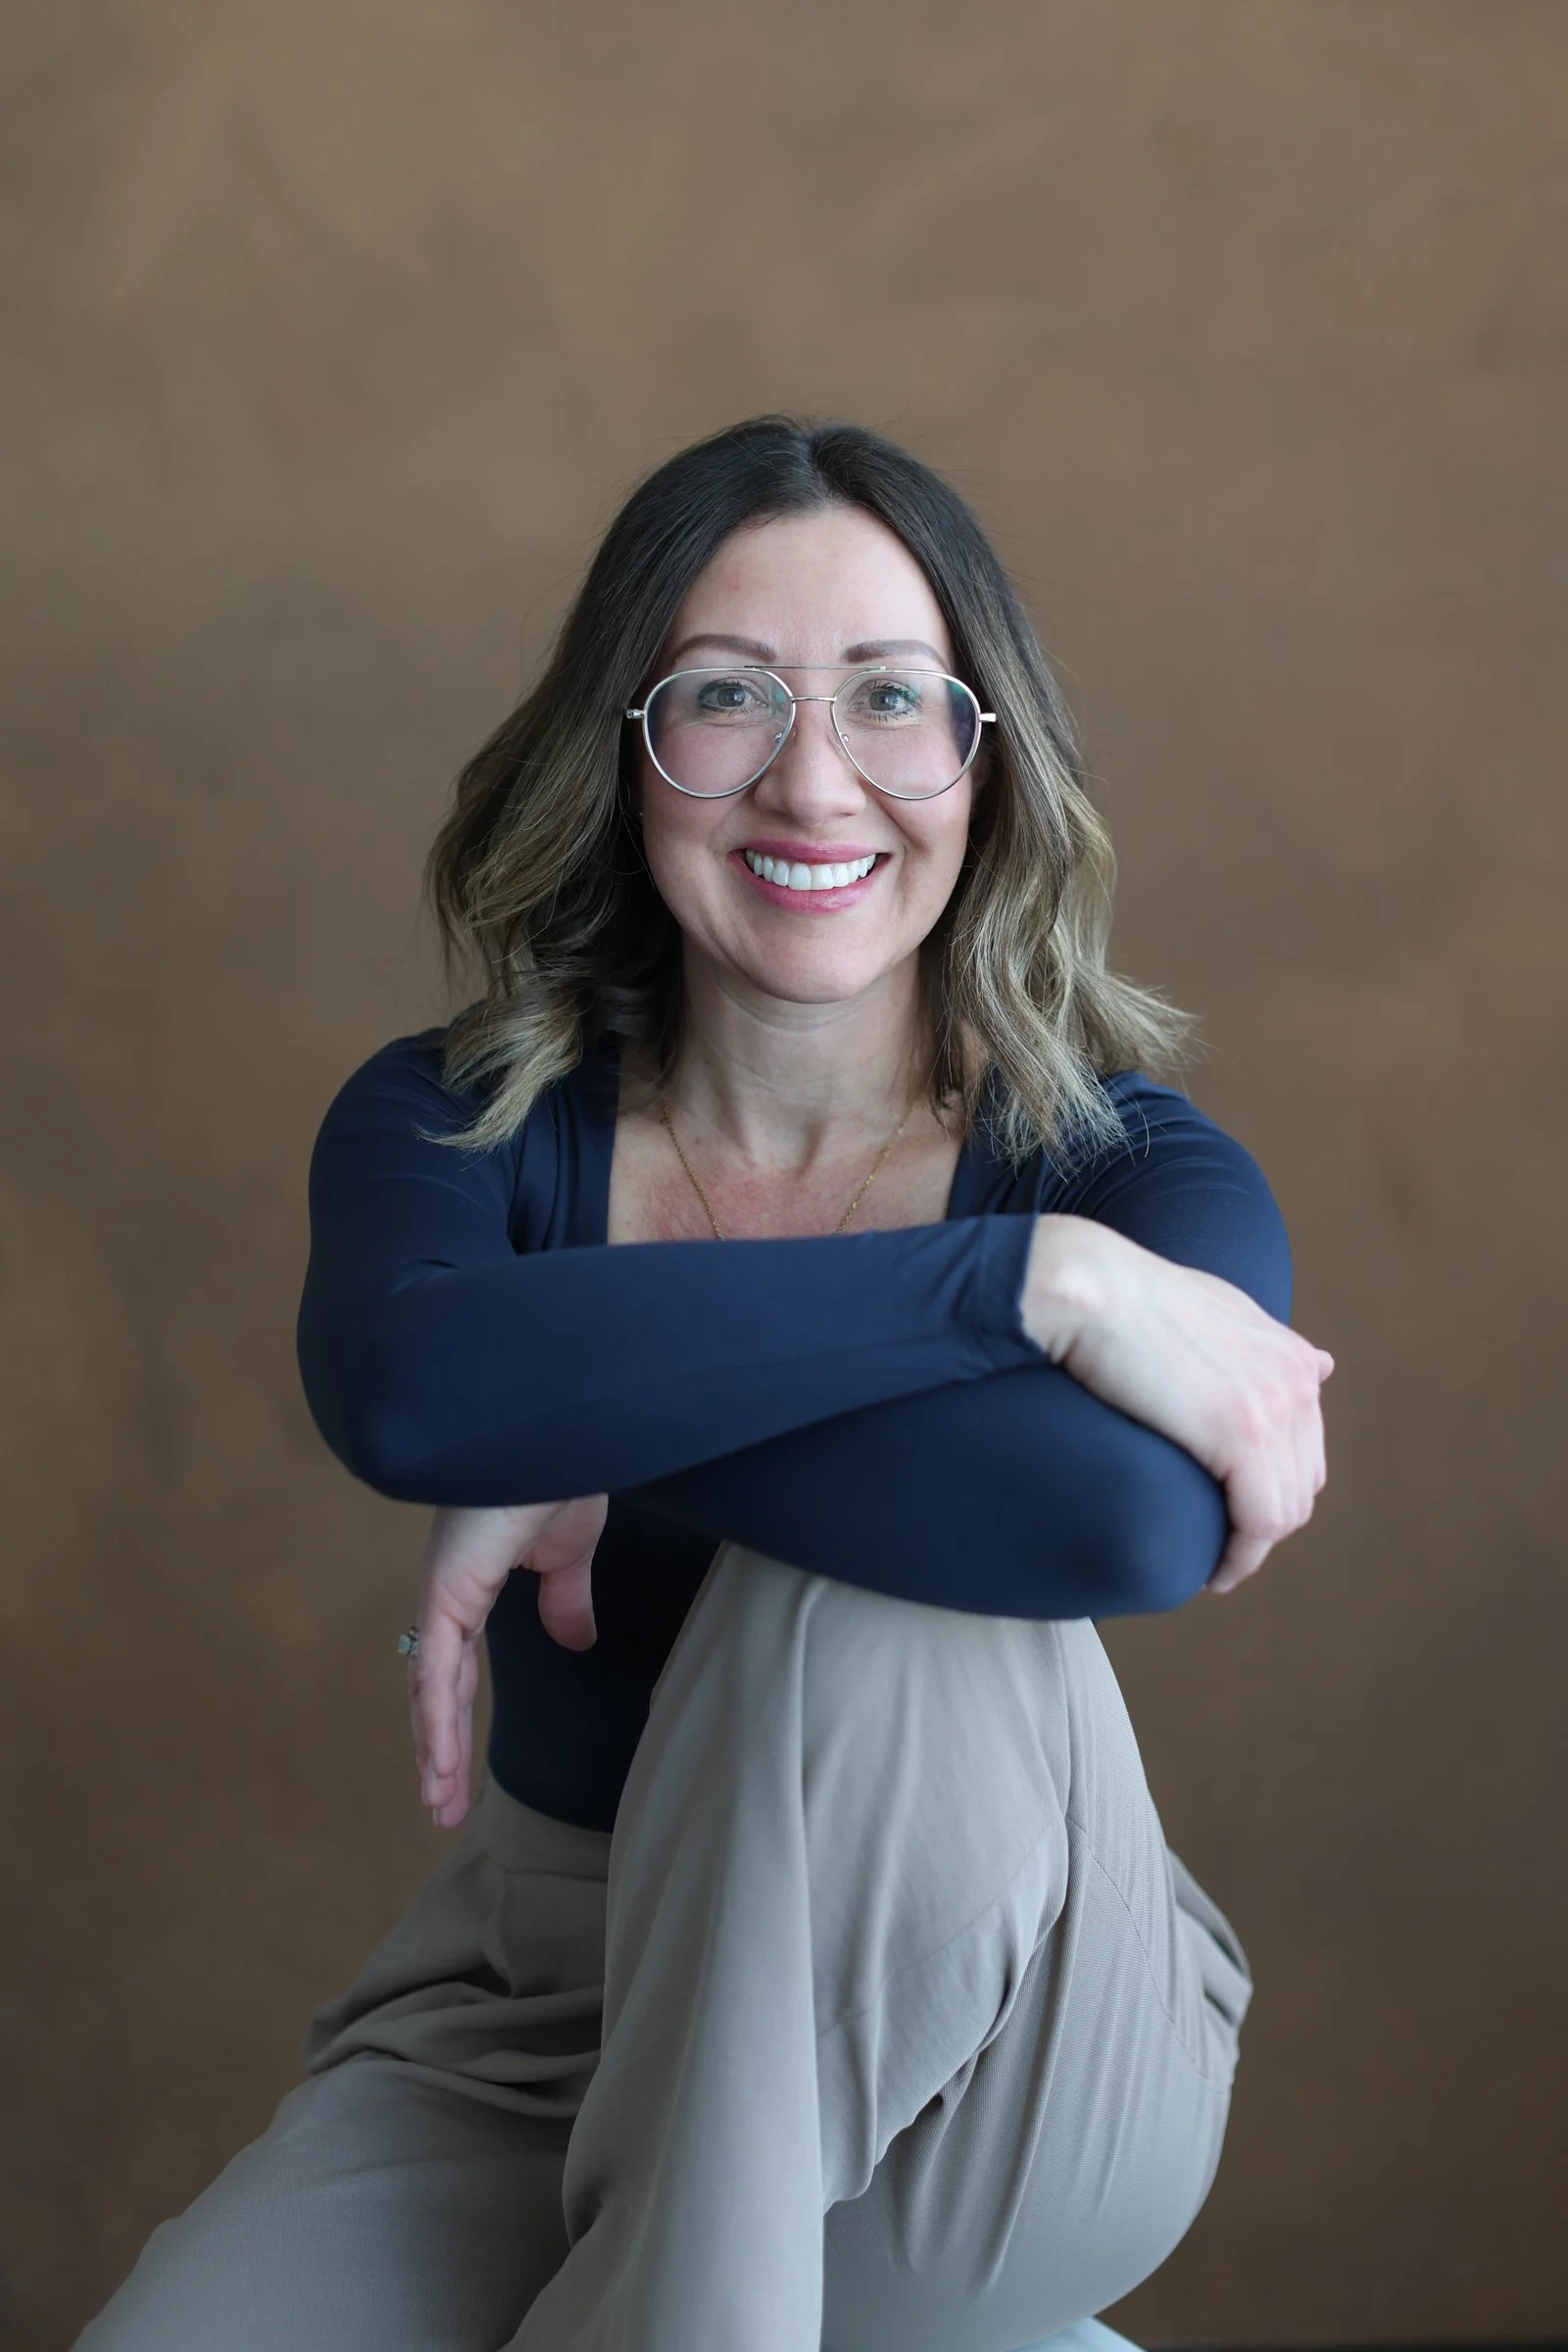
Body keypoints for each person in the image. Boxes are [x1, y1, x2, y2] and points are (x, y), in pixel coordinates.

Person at [79, 416, 1331, 2352]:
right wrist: (1022, 1288)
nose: (811, 776)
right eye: (724, 697)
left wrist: (596, 1416)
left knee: (871, 1609)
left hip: (1004, 2056)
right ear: (625, 745)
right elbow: (411, 1395)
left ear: (984, 769)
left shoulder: (1131, 1167)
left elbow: (1125, 1516)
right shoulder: (460, 1120)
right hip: (541, 2012)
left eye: (893, 699)